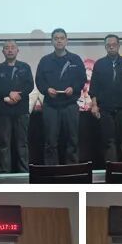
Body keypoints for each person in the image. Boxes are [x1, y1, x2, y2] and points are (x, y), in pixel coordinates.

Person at [35, 28, 87, 165]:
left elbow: (82, 79)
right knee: (50, 141)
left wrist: (73, 88)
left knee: (72, 140)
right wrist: (47, 89)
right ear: (52, 41)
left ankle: (73, 170)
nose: (59, 41)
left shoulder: (75, 59)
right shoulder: (45, 60)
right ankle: (52, 171)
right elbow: (39, 80)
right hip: (51, 106)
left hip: (70, 105)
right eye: (56, 38)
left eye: (62, 38)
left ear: (66, 41)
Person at [90, 34, 122, 162]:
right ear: (105, 47)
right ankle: (111, 168)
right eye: (108, 45)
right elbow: (94, 86)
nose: (111, 47)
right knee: (108, 140)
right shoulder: (99, 64)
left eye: (114, 45)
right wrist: (94, 105)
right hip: (105, 108)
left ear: (118, 46)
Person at [0, 40, 34, 173]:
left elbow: (30, 85)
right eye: (7, 48)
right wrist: (8, 93)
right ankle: (4, 172)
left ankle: (24, 172)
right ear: (3, 51)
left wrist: (19, 95)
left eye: (12, 47)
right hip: (3, 111)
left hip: (21, 110)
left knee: (22, 144)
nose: (10, 50)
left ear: (17, 50)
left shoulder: (25, 67)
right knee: (4, 144)